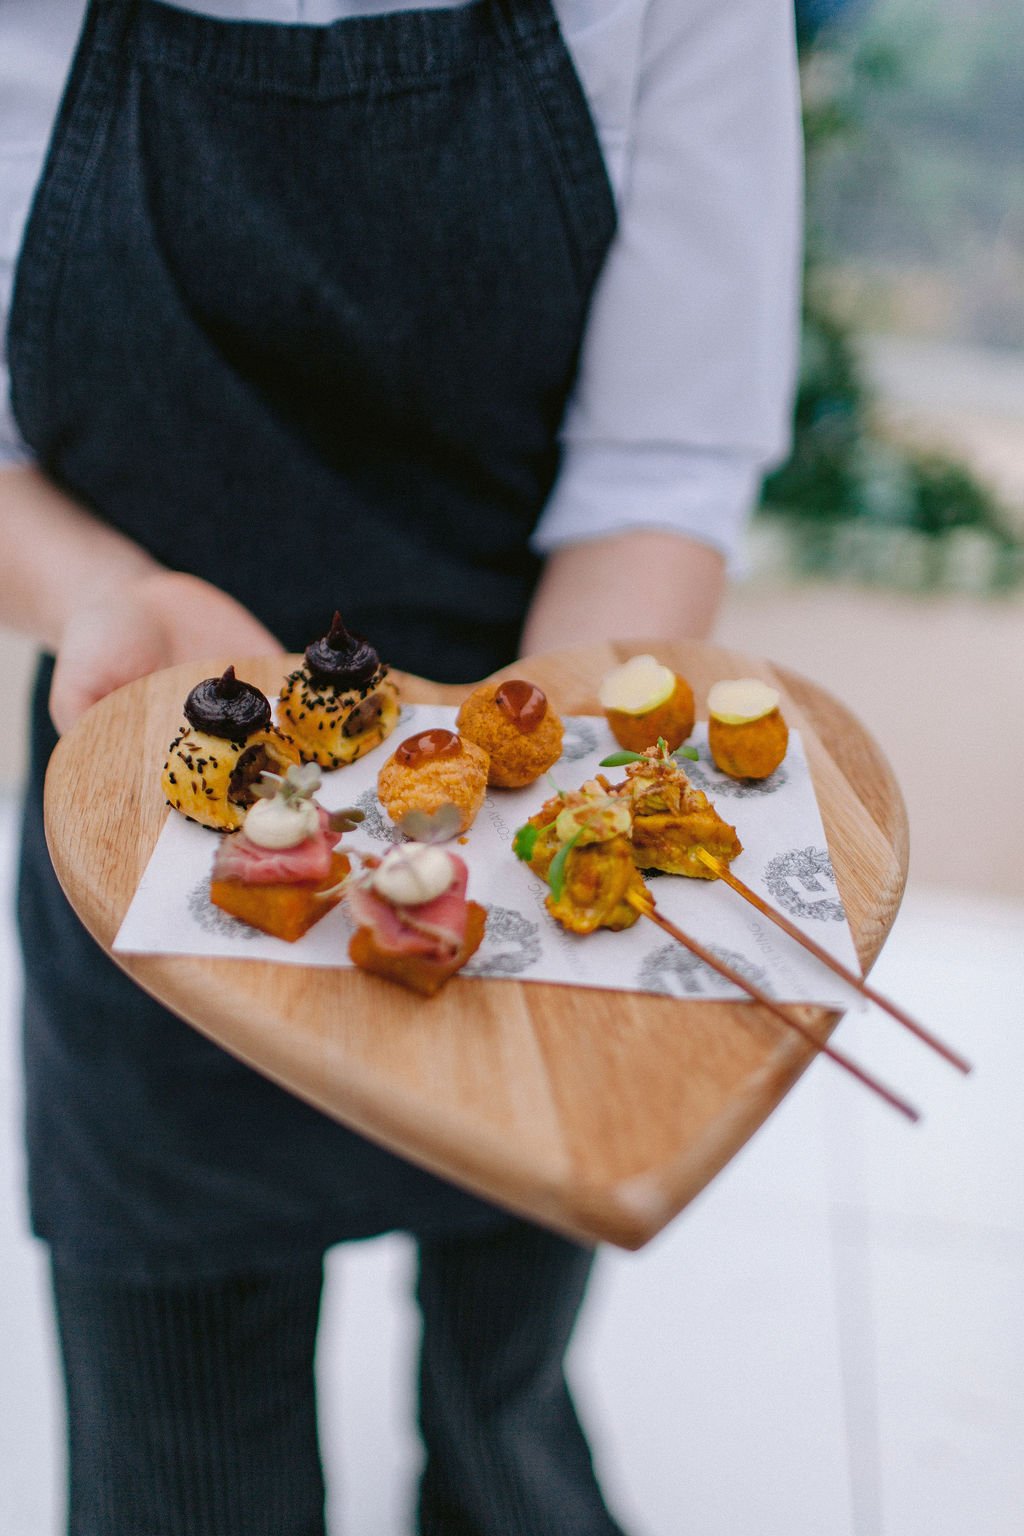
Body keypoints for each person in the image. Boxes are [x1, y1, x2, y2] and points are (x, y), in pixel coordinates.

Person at [0, 1, 801, 1531]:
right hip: (156, 802)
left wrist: (521, 822)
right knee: (181, 1448)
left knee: (508, 1373)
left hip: (527, 770)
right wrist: (93, 598)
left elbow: (663, 461)